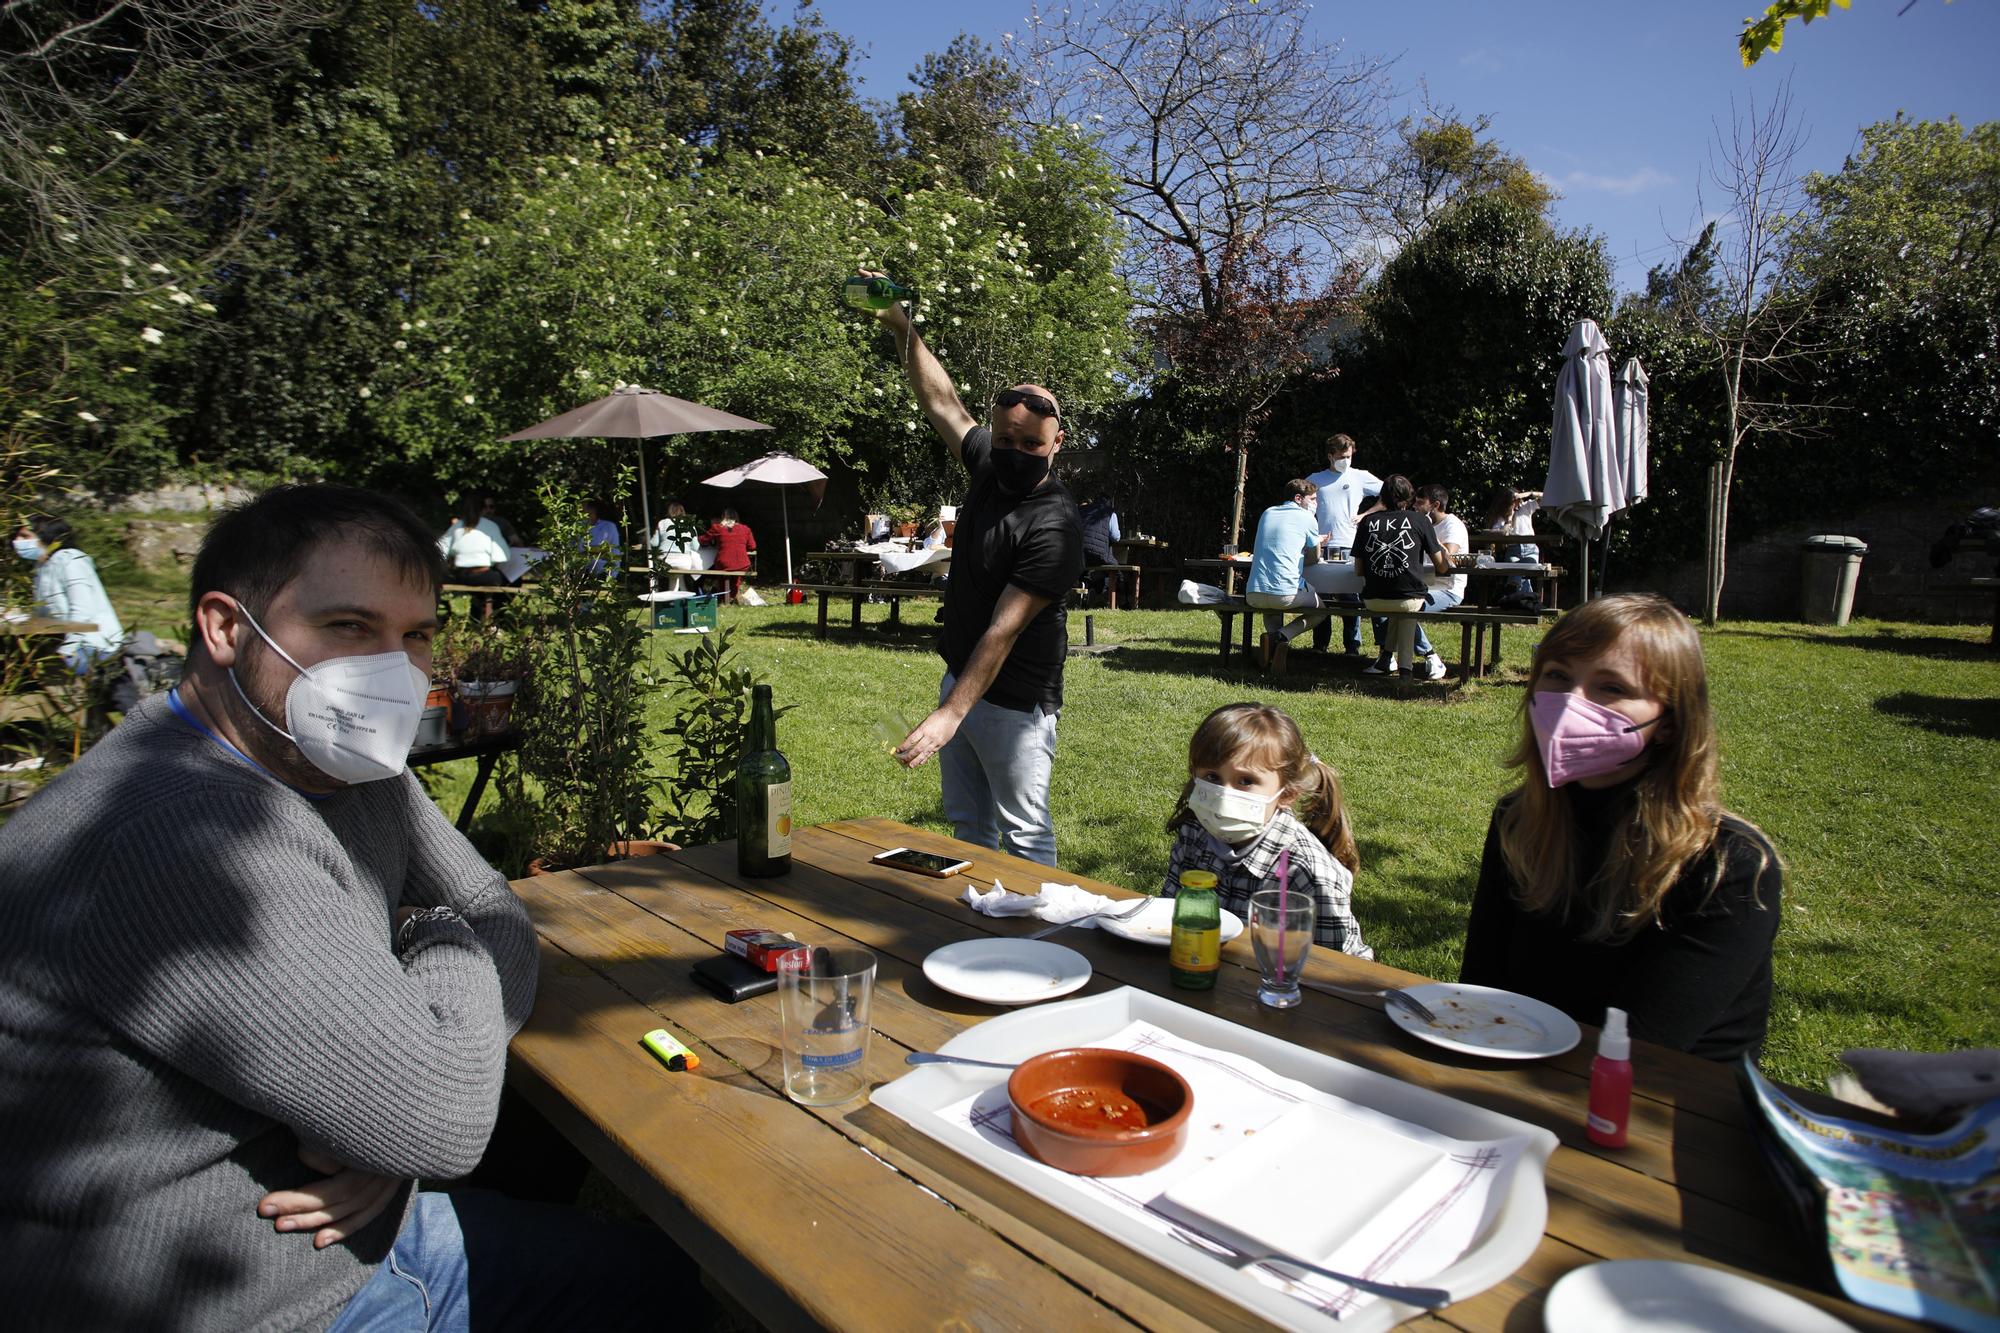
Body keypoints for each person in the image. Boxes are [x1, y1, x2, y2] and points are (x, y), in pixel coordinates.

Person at [0, 484, 682, 1327]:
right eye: (349, 627)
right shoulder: (181, 837)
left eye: (417, 634)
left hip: (356, 1227)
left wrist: (396, 1115)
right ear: (224, 629)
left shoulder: (338, 763)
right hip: (270, 1297)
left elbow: (495, 910)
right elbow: (441, 1118)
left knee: (661, 1274)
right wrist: (434, 949)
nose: (392, 669)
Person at [1459, 593, 1783, 1060]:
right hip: (1521, 1066)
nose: (1571, 704)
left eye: (1611, 688)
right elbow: (1480, 994)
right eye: (1557, 676)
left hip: (1669, 1107)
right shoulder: (1520, 820)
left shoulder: (1729, 865)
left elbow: (1646, 1046)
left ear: (1670, 721)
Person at [862, 274, 1085, 867]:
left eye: (1030, 445)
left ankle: (1040, 946)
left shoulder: (1055, 526)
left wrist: (949, 715)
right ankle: (978, 923)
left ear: (1056, 442)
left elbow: (1003, 630)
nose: (1012, 452)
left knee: (1025, 833)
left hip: (1015, 702)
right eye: (1005, 437)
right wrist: (902, 327)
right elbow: (941, 402)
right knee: (967, 827)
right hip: (961, 678)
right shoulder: (989, 460)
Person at [1160, 703, 1370, 957]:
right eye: (1213, 777)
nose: (1224, 796)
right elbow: (1169, 919)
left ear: (1287, 794)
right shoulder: (1194, 834)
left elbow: (1336, 969)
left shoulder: (1306, 869)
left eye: (1246, 781)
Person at [1357, 474, 1453, 680]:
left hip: (1373, 600)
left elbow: (1358, 570)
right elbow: (1442, 567)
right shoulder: (1419, 520)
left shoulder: (1367, 522)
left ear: (1383, 497)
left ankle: (1386, 659)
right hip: (1409, 598)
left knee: (1397, 610)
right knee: (1405, 608)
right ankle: (1406, 671)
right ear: (1409, 496)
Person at [13, 513, 124, 671]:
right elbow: (44, 613)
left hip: (93, 644)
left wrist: (68, 649)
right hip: (64, 638)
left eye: (25, 536)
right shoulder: (42, 566)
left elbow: (83, 610)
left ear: (48, 537)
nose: (17, 541)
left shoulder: (70, 561)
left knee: (51, 668)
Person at [1304, 433, 1383, 655]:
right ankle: (1320, 645)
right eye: (1341, 456)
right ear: (1330, 456)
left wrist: (1366, 513)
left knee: (1351, 597)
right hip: (1321, 545)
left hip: (1350, 545)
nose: (1346, 461)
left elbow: (1391, 492)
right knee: (1322, 598)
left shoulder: (1360, 476)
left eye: (1349, 456)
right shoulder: (1315, 480)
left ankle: (1352, 646)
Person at [1245, 479, 1324, 675]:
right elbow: (1315, 558)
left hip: (1254, 593)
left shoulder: (1267, 513)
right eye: (1313, 499)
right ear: (1298, 498)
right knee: (1321, 611)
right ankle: (1281, 637)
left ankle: (1272, 655)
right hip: (1285, 594)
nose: (1316, 504)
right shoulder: (1308, 518)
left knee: (1270, 605)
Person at [1405, 483, 1468, 681]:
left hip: (1449, 590)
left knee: (1407, 610)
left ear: (1435, 505)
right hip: (1425, 586)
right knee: (1390, 604)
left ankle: (1431, 656)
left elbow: (1450, 558)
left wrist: (1428, 533)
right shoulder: (1424, 523)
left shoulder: (1452, 525)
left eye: (1420, 502)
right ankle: (1387, 656)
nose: (1415, 505)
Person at [439, 493, 511, 618]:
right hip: (484, 576)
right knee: (512, 581)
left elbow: (440, 549)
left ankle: (475, 614)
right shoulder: (490, 526)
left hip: (460, 575)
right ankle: (496, 618)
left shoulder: (457, 526)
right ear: (483, 509)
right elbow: (502, 556)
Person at [699, 507, 756, 601]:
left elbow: (703, 540)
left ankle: (723, 597)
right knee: (735, 574)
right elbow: (752, 546)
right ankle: (731, 596)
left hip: (723, 563)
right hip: (742, 563)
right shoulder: (746, 529)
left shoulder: (718, 528)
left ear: (723, 517)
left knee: (722, 572)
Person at [651, 500, 705, 592]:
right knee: (678, 574)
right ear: (683, 512)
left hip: (664, 562)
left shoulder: (662, 523)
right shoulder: (690, 525)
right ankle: (679, 600)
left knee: (675, 576)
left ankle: (674, 600)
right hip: (684, 562)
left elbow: (654, 543)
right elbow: (696, 548)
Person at [1078, 492, 1121, 602]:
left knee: (1084, 568)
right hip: (1098, 552)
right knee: (1116, 570)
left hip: (1078, 552)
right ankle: (1097, 590)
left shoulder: (1083, 510)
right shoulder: (1110, 513)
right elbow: (1116, 537)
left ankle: (1086, 585)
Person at [580, 497, 622, 578]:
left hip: (603, 570)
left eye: (583, 507)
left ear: (593, 509)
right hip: (579, 570)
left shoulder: (608, 526)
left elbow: (614, 551)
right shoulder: (578, 526)